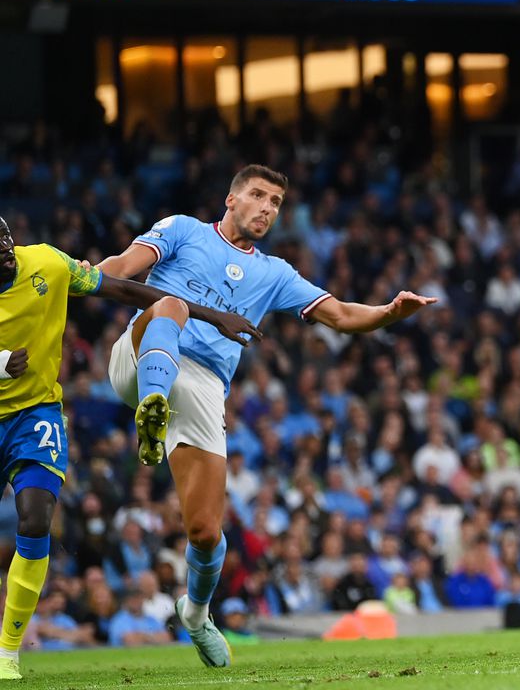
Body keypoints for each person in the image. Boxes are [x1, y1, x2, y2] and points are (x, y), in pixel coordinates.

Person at [95, 165, 436, 668]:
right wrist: (85, 273)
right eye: (257, 195)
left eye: (275, 202)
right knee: (170, 305)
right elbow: (123, 263)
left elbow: (340, 314)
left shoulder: (275, 273)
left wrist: (388, 313)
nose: (266, 208)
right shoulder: (183, 229)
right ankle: (152, 405)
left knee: (206, 532)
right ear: (230, 200)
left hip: (206, 386)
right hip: (144, 352)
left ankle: (194, 611)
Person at [0, 216, 256, 680]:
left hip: (34, 414)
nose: (3, 247)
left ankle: (7, 652)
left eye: (4, 236)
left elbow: (123, 289)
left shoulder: (46, 264)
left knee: (36, 517)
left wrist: (207, 313)